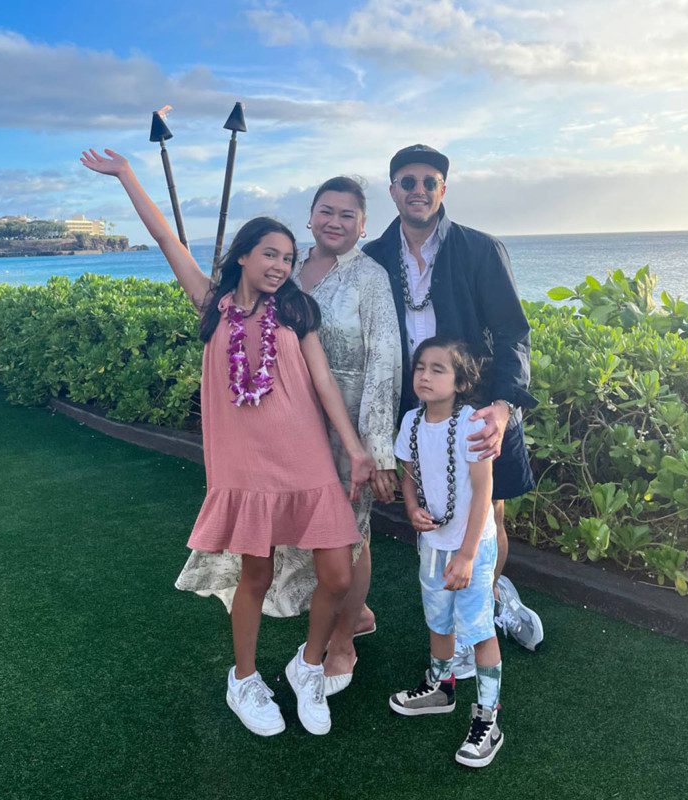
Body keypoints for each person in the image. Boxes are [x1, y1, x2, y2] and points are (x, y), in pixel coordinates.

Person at [80, 148, 375, 737]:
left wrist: (357, 449)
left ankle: (307, 665)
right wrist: (127, 176)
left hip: (308, 461)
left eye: (289, 257)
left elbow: (321, 382)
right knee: (255, 578)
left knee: (338, 576)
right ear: (242, 255)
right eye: (270, 253)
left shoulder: (296, 310)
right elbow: (168, 242)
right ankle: (243, 680)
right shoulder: (212, 308)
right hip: (246, 469)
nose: (281, 265)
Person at [176, 177, 402, 695]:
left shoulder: (369, 278)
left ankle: (339, 642)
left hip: (348, 425)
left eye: (349, 215)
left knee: (352, 537)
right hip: (287, 434)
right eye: (327, 211)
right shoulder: (291, 278)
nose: (337, 221)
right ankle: (330, 629)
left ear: (363, 224)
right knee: (291, 551)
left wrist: (372, 447)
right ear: (311, 216)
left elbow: (383, 363)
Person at [362, 144, 544, 677]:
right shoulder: (373, 257)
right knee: (430, 511)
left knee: (489, 515)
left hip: (482, 404)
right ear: (392, 188)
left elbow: (513, 331)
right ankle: (453, 621)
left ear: (444, 188)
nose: (418, 190)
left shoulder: (480, 249)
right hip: (412, 410)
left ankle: (483, 608)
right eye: (407, 181)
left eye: (429, 181)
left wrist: (504, 406)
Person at [389, 336, 504, 768]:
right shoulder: (411, 423)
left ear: (460, 380)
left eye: (439, 369)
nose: (425, 375)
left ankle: (489, 718)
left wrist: (469, 554)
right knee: (438, 620)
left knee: (477, 630)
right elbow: (408, 474)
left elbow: (482, 492)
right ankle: (440, 688)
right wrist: (414, 507)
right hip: (433, 545)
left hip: (470, 546)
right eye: (421, 367)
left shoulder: (473, 424)